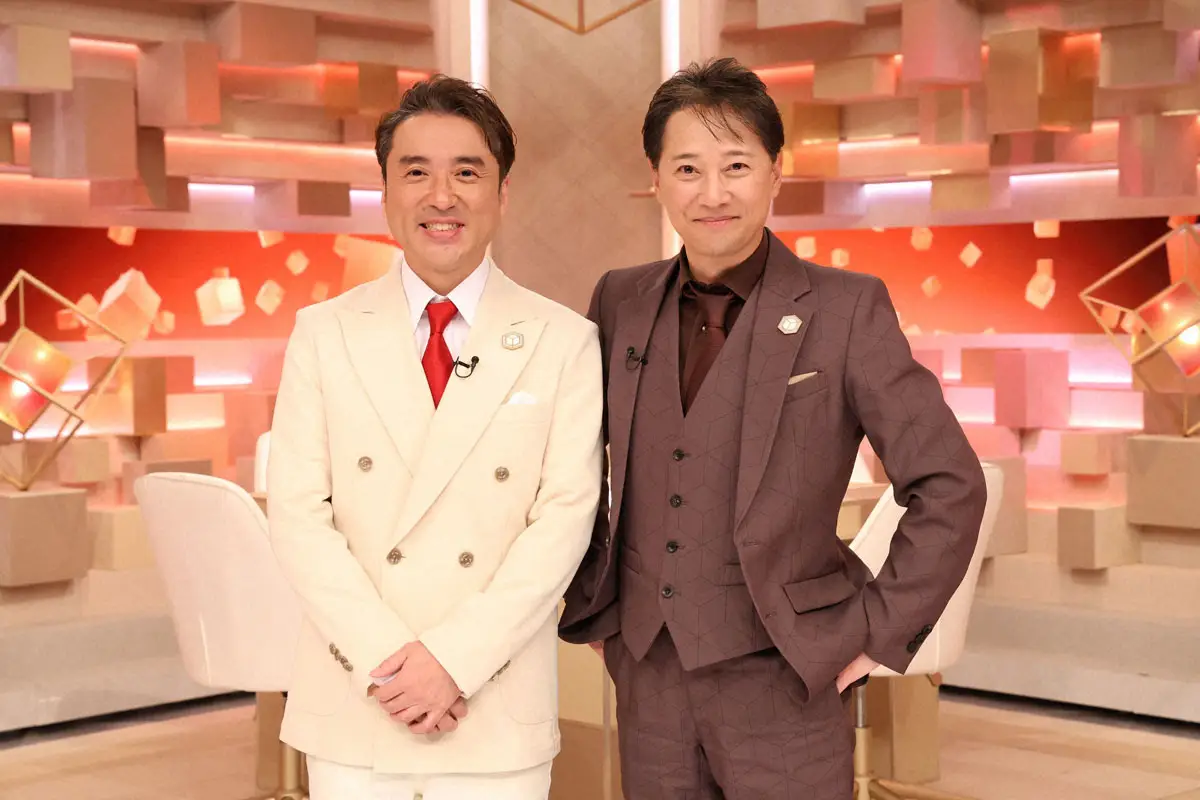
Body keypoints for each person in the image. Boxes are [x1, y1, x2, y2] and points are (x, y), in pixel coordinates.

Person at [559, 57, 987, 799]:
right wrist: (597, 601)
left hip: (789, 674)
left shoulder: (846, 310)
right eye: (687, 169)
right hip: (649, 673)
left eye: (736, 165)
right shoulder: (619, 300)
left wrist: (878, 632)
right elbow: (564, 467)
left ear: (775, 172)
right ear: (656, 179)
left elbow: (949, 484)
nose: (712, 193)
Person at [267, 74, 603, 800]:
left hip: (492, 700)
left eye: (466, 173)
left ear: (502, 193)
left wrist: (453, 661)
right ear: (386, 192)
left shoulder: (564, 340)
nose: (441, 196)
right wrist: (391, 663)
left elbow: (564, 523)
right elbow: (296, 516)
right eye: (416, 172)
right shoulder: (323, 334)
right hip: (357, 698)